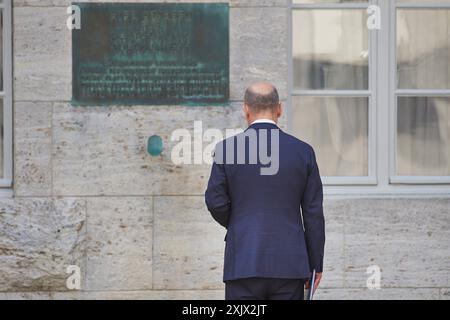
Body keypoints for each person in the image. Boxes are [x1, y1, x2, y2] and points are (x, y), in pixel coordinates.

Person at [205, 82, 325, 300]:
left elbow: (215, 202)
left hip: (243, 260)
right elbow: (313, 215)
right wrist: (315, 264)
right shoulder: (303, 152)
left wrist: (239, 223)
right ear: (279, 109)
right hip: (290, 265)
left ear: (246, 109)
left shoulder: (226, 150)